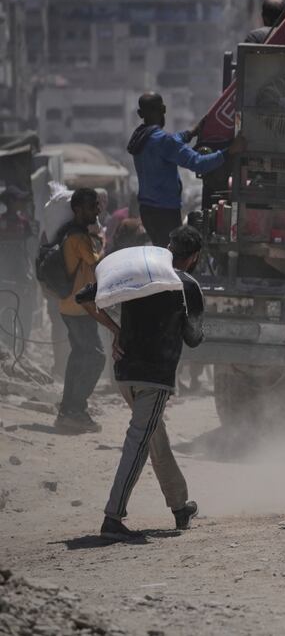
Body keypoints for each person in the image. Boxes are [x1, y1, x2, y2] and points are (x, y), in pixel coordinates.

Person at [76, 225, 207, 541]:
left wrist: (116, 330)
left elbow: (84, 298)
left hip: (125, 373)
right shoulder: (187, 285)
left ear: (168, 248)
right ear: (194, 257)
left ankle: (180, 506)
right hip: (155, 377)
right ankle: (113, 517)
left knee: (154, 436)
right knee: (138, 442)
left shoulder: (138, 273)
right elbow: (193, 338)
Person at [127, 92, 243, 248]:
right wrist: (229, 152)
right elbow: (198, 163)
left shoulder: (141, 137)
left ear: (140, 114)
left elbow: (168, 142)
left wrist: (190, 133)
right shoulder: (164, 141)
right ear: (164, 110)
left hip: (147, 211)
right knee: (173, 255)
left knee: (161, 251)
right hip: (165, 212)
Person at [53, 188, 106, 434]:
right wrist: (103, 242)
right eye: (92, 206)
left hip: (69, 305)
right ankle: (76, 410)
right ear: (77, 209)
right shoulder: (79, 237)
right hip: (80, 307)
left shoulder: (69, 232)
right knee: (96, 357)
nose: (97, 210)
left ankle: (68, 410)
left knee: (79, 356)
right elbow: (98, 265)